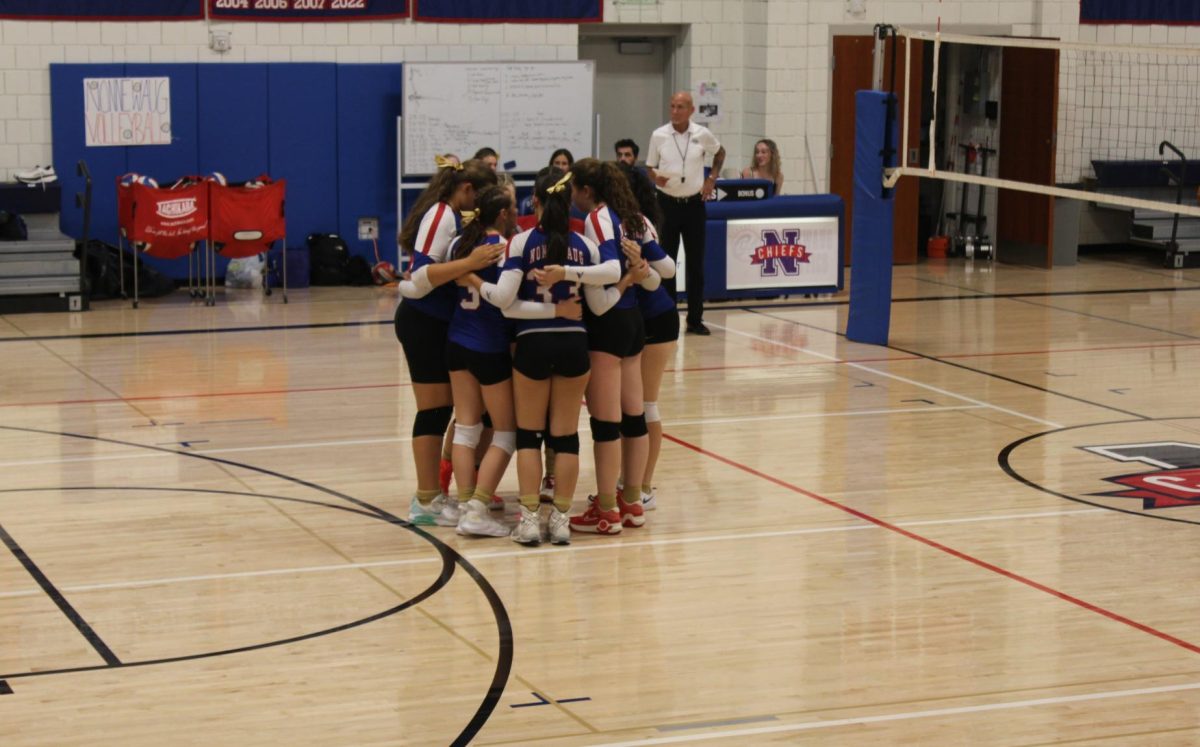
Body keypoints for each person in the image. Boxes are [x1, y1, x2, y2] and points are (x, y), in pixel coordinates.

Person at [475, 171, 620, 546]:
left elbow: (505, 303)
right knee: (566, 436)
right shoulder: (585, 247)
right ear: (567, 202)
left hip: (533, 344)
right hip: (574, 345)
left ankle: (528, 520)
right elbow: (599, 306)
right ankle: (559, 519)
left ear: (534, 201)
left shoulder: (520, 243)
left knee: (529, 436)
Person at [446, 185, 577, 537]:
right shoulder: (504, 250)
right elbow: (506, 298)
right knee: (506, 432)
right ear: (504, 215)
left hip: (457, 339)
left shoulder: (459, 246)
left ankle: (463, 505)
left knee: (466, 427)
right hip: (490, 345)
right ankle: (476, 507)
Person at [395, 157, 499, 527]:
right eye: (479, 196)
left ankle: (437, 494)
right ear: (467, 189)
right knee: (433, 410)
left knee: (448, 409)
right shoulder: (442, 214)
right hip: (422, 321)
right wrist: (468, 264)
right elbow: (423, 275)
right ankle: (425, 500)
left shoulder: (450, 215)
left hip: (437, 322)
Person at [568, 158, 669, 535]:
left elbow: (608, 278)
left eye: (575, 188)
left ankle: (607, 508)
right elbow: (664, 270)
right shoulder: (632, 217)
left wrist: (571, 273)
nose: (573, 195)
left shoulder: (597, 219)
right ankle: (632, 502)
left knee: (606, 424)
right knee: (634, 416)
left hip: (608, 323)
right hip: (633, 324)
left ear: (587, 190)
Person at [618, 160, 676, 512]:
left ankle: (644, 485)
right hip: (635, 318)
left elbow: (667, 269)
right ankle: (629, 481)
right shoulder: (612, 221)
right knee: (630, 406)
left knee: (645, 405)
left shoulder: (638, 224)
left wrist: (643, 268)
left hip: (657, 318)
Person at [645, 91, 725, 336]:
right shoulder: (659, 135)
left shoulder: (702, 134)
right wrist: (654, 177)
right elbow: (649, 166)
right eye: (672, 106)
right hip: (667, 204)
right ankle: (668, 316)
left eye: (680, 107)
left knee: (696, 264)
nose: (675, 111)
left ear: (691, 110)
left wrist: (711, 178)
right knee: (667, 263)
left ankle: (695, 318)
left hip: (693, 205)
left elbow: (720, 152)